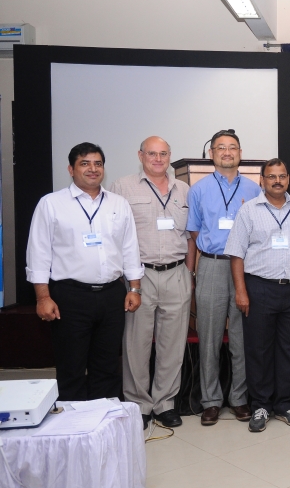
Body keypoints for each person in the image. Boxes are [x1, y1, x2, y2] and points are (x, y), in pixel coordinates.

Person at [26, 142, 143, 401]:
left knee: (107, 365)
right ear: (71, 169)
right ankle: (73, 422)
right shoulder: (51, 204)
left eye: (98, 164)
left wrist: (134, 288)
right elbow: (39, 252)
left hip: (112, 296)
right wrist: (43, 297)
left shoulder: (118, 203)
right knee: (71, 366)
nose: (93, 169)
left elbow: (130, 247)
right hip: (70, 296)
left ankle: (104, 420)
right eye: (85, 163)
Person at [109, 136, 196, 430]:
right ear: (140, 155)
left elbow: (191, 236)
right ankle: (139, 405)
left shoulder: (184, 189)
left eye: (163, 154)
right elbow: (115, 235)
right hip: (139, 276)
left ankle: (165, 404)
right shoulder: (122, 187)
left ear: (170, 156)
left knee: (173, 344)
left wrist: (189, 273)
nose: (158, 159)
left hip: (177, 272)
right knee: (137, 344)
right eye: (152, 154)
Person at [225, 158, 290, 432]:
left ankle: (285, 404)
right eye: (271, 176)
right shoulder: (249, 210)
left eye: (282, 176)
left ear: (288, 179)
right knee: (259, 349)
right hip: (259, 287)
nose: (277, 181)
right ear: (262, 180)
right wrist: (241, 291)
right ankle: (260, 405)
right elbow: (236, 253)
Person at [186, 129, 260, 426]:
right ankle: (211, 401)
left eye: (232, 147)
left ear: (240, 153)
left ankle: (239, 399)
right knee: (209, 338)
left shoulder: (255, 189)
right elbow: (194, 231)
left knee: (241, 339)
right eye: (221, 148)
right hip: (213, 265)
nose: (227, 152)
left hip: (246, 268)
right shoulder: (198, 189)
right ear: (211, 154)